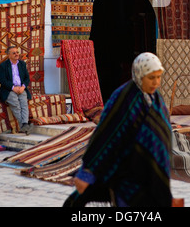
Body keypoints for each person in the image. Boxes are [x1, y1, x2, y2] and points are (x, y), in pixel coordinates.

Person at [63, 52, 173, 208]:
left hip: (152, 172)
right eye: (151, 78)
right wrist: (87, 171)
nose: (156, 82)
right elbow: (106, 133)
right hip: (127, 171)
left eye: (158, 77)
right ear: (139, 75)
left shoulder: (156, 99)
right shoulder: (124, 97)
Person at [0, 46, 33, 134]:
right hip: (9, 89)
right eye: (14, 53)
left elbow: (26, 78)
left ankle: (24, 124)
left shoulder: (22, 64)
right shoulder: (3, 65)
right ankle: (24, 126)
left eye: (17, 52)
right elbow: (2, 80)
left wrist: (23, 87)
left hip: (21, 88)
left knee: (24, 104)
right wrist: (13, 87)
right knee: (16, 104)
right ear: (8, 55)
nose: (16, 54)